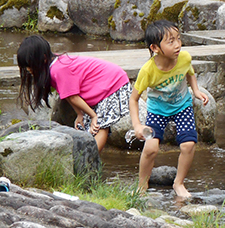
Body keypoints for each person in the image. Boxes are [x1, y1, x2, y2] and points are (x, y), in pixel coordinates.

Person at [129, 20, 208, 199]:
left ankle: (178, 183)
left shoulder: (184, 57)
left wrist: (195, 90)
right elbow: (133, 99)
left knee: (188, 144)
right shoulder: (148, 70)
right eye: (170, 41)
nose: (178, 45)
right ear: (155, 48)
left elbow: (189, 71)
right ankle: (142, 184)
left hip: (182, 106)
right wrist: (137, 125)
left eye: (178, 39)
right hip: (157, 110)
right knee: (151, 148)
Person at [16, 35, 132, 152]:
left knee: (100, 126)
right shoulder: (54, 66)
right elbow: (68, 94)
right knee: (87, 128)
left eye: (29, 65)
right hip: (103, 86)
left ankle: (90, 162)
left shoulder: (58, 69)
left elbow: (73, 97)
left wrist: (93, 115)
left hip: (114, 84)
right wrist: (80, 114)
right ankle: (87, 158)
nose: (28, 69)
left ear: (44, 58)